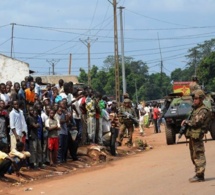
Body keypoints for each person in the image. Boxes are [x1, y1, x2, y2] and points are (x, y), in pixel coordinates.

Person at [181, 89, 210, 182]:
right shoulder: (195, 109)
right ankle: (198, 172)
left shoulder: (203, 110)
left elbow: (196, 122)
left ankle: (200, 175)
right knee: (193, 155)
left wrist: (187, 122)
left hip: (197, 136)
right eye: (194, 98)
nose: (194, 100)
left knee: (199, 154)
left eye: (196, 98)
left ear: (201, 99)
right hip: (193, 136)